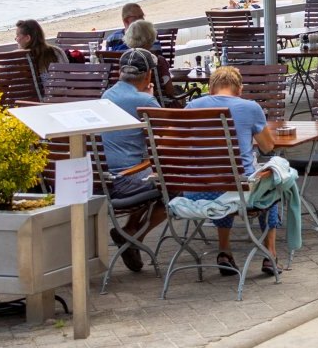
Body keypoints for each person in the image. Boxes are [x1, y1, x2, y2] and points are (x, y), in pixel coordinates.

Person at [186, 66, 280, 277]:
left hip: (196, 192)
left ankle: (224, 251)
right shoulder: (250, 107)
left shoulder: (192, 106)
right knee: (273, 180)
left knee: (223, 184)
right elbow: (268, 147)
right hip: (240, 192)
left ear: (211, 89)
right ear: (239, 89)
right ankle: (270, 254)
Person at [100, 49, 166, 272]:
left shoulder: (106, 96)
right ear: (148, 75)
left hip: (104, 177)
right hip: (126, 179)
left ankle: (128, 230)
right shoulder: (145, 100)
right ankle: (135, 236)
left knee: (149, 170)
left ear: (120, 73)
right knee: (175, 189)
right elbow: (164, 139)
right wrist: (151, 98)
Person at [15, 19, 68, 91]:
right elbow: (67, 77)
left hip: (28, 101)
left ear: (27, 38)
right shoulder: (58, 52)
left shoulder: (15, 58)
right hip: (60, 99)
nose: (16, 39)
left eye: (17, 35)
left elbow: (3, 83)